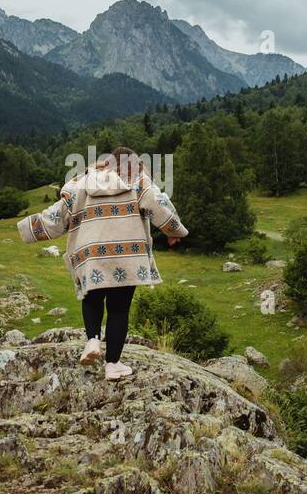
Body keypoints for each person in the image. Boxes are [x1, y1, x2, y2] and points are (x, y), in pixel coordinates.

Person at [18, 147, 189, 380]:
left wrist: (28, 229)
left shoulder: (81, 183)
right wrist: (175, 230)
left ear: (107, 162)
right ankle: (112, 365)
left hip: (90, 255)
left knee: (92, 298)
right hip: (126, 255)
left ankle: (92, 340)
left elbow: (58, 216)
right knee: (119, 309)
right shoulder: (138, 180)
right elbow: (159, 205)